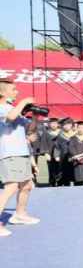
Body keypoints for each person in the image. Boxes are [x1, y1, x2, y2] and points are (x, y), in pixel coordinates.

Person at [0, 78, 42, 237]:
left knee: (27, 184)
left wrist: (35, 118)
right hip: (10, 153)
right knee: (11, 186)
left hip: (22, 152)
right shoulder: (2, 109)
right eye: (13, 89)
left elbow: (29, 129)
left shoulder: (13, 108)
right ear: (2, 92)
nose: (17, 92)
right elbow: (10, 117)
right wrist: (24, 102)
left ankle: (19, 214)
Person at [38, 118, 63, 186]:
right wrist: (46, 153)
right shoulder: (46, 133)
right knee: (51, 169)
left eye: (55, 123)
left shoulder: (62, 132)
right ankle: (52, 183)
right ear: (49, 124)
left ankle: (60, 184)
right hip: (50, 154)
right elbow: (44, 143)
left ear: (58, 124)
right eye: (52, 123)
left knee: (61, 169)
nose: (53, 125)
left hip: (60, 154)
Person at [56, 118, 76, 186]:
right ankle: (66, 186)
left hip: (74, 156)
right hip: (63, 156)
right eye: (64, 125)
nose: (66, 126)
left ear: (71, 125)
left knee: (75, 172)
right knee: (65, 173)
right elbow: (57, 146)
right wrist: (57, 155)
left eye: (67, 125)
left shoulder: (76, 134)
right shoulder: (60, 135)